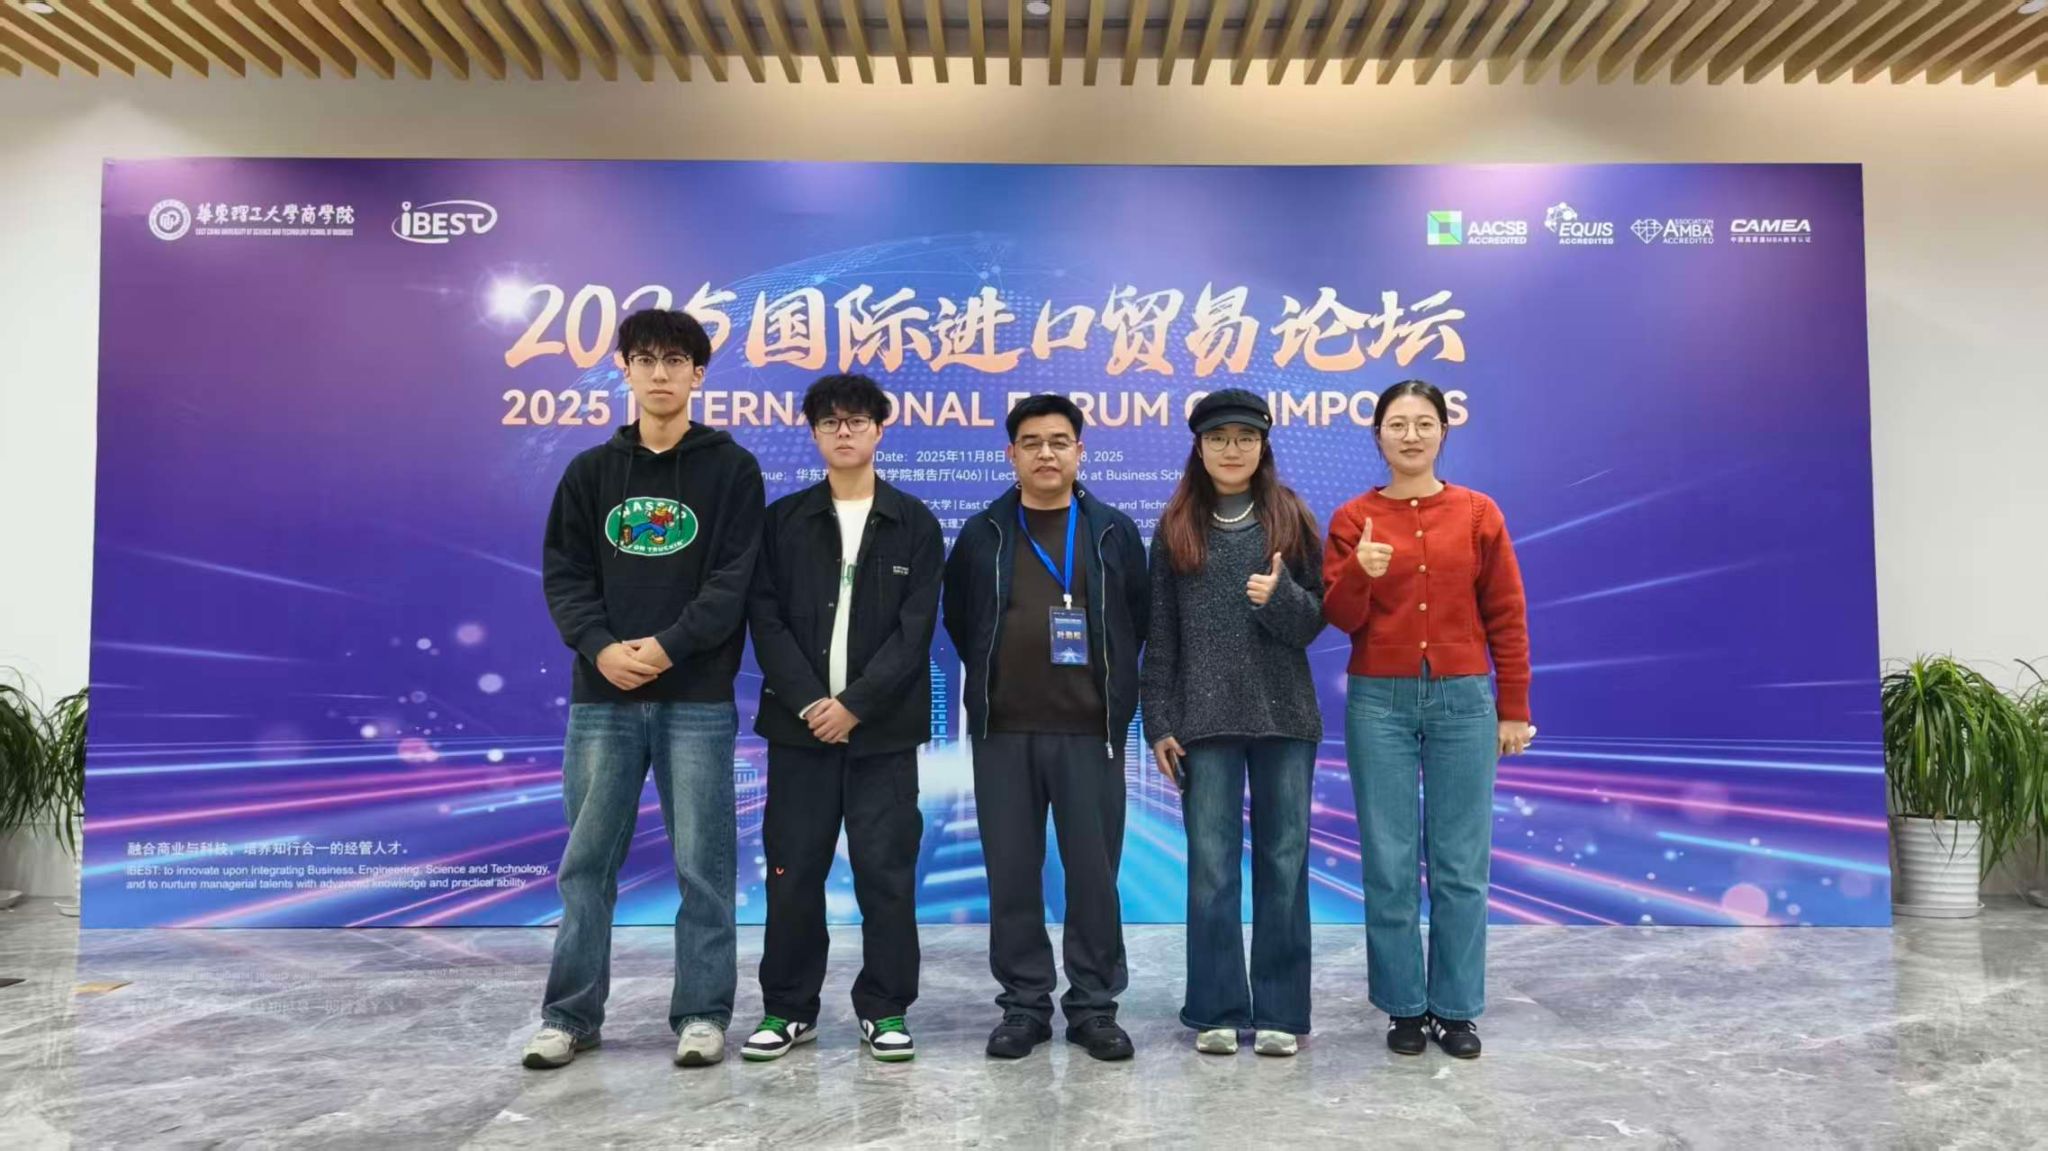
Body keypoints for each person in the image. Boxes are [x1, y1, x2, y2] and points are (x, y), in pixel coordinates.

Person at [525, 308, 765, 1070]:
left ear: (699, 373)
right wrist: (601, 648)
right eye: (647, 359)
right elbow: (565, 576)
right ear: (625, 370)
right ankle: (570, 1014)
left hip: (697, 697)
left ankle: (702, 1012)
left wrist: (665, 647)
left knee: (704, 865)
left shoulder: (732, 469)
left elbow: (732, 581)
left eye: (676, 360)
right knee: (586, 864)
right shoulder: (590, 473)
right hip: (603, 698)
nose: (661, 373)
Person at [1323, 379, 1534, 1061]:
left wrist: (1514, 707)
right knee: (1388, 861)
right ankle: (1404, 1006)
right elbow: (1340, 617)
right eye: (1397, 424)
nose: (1410, 436)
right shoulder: (1353, 517)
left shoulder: (1477, 513)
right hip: (1377, 702)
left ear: (1444, 430)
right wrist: (1360, 572)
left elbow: (1506, 613)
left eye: (1423, 423)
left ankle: (1455, 1007)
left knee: (1460, 863)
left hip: (1464, 701)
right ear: (1377, 435)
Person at [740, 374, 942, 1064]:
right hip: (799, 733)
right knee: (793, 871)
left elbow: (915, 631)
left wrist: (855, 704)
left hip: (883, 735)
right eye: (830, 422)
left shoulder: (914, 522)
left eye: (857, 420)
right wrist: (810, 703)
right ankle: (788, 1008)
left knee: (886, 872)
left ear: (880, 430)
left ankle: (885, 1008)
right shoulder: (783, 521)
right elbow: (764, 619)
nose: (845, 431)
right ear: (814, 434)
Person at [941, 394, 1149, 1062]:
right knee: (1012, 875)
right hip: (1004, 732)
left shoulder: (1113, 532)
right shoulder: (983, 532)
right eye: (1031, 442)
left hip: (1091, 732)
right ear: (1012, 454)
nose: (1046, 453)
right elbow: (961, 618)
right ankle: (1024, 1005)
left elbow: (1137, 617)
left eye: (1059, 441)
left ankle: (1094, 1006)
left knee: (1094, 877)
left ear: (1080, 451)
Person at [1141, 389, 1325, 1058]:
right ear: (1199, 447)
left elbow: (1312, 622)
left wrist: (1279, 597)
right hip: (1204, 722)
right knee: (1212, 870)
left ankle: (1280, 1012)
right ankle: (1216, 1008)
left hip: (1285, 717)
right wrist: (1158, 721)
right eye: (1218, 438)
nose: (1232, 449)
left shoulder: (1292, 518)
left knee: (1284, 865)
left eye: (1245, 437)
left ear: (1263, 445)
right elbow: (1160, 635)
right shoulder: (1176, 527)